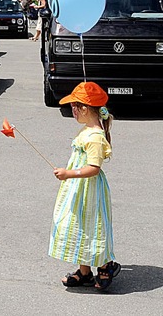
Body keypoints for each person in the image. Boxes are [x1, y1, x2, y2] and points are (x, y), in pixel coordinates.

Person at [49, 82, 120, 292]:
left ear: (85, 109)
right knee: (79, 226)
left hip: (90, 192)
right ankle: (85, 271)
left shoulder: (95, 137)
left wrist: (68, 174)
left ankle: (105, 264)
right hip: (79, 190)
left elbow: (94, 168)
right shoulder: (87, 130)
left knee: (94, 228)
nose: (72, 110)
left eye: (74, 106)